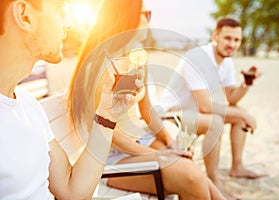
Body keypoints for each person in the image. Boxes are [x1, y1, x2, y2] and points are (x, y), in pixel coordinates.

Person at [68, 0, 226, 199]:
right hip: (109, 153)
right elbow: (106, 132)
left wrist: (169, 142)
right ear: (126, 17)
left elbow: (147, 110)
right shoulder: (101, 65)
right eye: (146, 14)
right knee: (192, 177)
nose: (150, 20)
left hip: (140, 139)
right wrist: (152, 154)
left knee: (192, 170)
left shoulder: (137, 56)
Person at [0, 0, 140, 199]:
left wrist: (107, 114)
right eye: (60, 9)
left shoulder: (28, 104)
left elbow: (71, 189)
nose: (69, 24)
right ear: (25, 16)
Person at [159, 17, 264, 197]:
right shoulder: (198, 57)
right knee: (218, 120)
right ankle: (213, 177)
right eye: (227, 38)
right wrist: (244, 114)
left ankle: (237, 167)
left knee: (240, 116)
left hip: (192, 114)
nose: (232, 44)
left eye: (236, 40)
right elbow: (206, 107)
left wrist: (247, 83)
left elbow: (231, 97)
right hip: (169, 116)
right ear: (215, 36)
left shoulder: (227, 62)